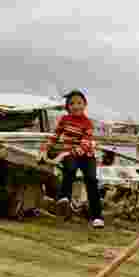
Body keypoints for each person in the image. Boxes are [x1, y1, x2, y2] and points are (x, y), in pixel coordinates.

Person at [39, 89, 104, 229]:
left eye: (79, 103)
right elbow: (55, 136)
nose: (76, 106)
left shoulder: (88, 123)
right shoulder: (64, 120)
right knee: (70, 169)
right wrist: (45, 149)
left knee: (91, 180)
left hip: (86, 155)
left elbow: (85, 144)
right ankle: (64, 198)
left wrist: (68, 153)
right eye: (72, 103)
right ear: (68, 106)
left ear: (85, 105)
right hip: (69, 154)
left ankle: (97, 217)